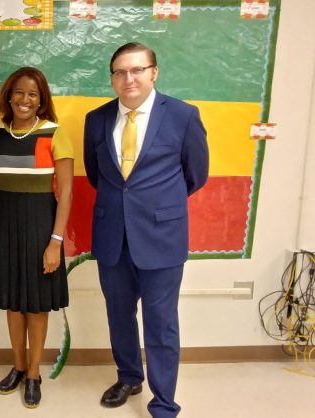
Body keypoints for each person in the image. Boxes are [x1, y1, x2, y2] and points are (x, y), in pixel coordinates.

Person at [83, 42, 209, 418]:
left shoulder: (183, 116)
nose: (129, 78)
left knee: (161, 322)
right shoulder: (97, 118)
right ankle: (128, 377)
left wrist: (156, 207)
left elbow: (195, 174)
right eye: (120, 72)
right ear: (112, 78)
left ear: (154, 72)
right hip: (112, 237)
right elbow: (97, 175)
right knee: (119, 315)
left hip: (161, 238)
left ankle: (164, 402)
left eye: (137, 70)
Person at [0, 67, 74, 409]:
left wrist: (55, 241)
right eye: (19, 92)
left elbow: (65, 192)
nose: (25, 99)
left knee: (36, 304)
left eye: (33, 94)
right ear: (8, 96)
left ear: (41, 99)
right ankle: (18, 366)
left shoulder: (53, 134)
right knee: (13, 301)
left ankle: (34, 373)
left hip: (40, 227)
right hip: (4, 226)